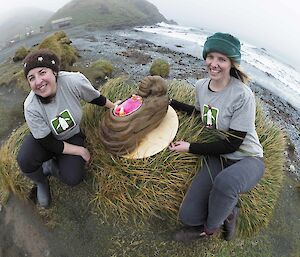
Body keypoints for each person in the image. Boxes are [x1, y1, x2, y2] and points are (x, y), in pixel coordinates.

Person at [168, 32, 265, 242]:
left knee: (226, 183)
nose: (214, 64)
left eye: (222, 59)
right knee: (188, 216)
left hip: (248, 159)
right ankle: (229, 211)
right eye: (211, 57)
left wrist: (190, 147)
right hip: (219, 156)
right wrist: (172, 103)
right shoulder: (201, 86)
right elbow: (205, 115)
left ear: (231, 64)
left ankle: (208, 231)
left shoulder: (242, 95)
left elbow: (232, 144)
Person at [17, 49, 115, 208]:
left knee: (73, 178)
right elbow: (48, 142)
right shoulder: (30, 107)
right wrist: (80, 151)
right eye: (31, 78)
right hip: (47, 139)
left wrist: (113, 107)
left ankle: (51, 166)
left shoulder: (73, 81)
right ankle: (41, 181)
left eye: (42, 72)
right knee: (25, 160)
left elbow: (95, 97)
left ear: (54, 71)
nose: (38, 81)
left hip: (71, 136)